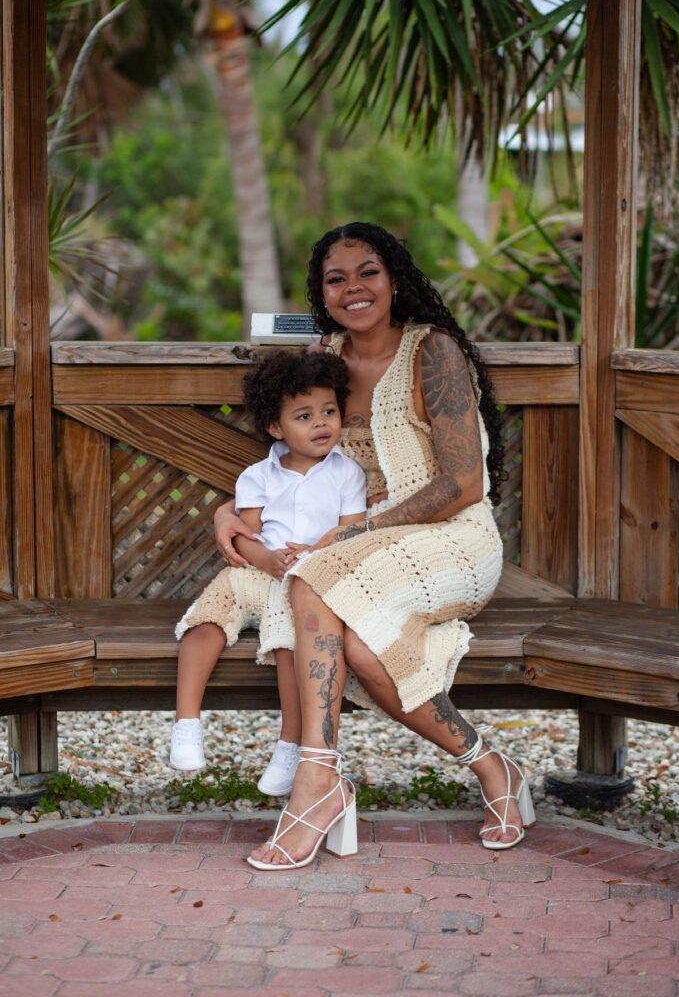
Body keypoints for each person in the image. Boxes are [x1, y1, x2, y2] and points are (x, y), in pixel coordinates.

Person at [215, 223, 535, 870]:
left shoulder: (430, 352)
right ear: (321, 292)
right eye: (336, 278)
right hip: (360, 551)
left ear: (393, 278)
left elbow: (464, 482)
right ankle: (489, 766)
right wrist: (229, 510)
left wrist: (360, 528)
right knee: (358, 642)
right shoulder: (322, 356)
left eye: (367, 272)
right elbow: (286, 462)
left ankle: (316, 783)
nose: (353, 288)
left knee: (309, 580)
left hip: (452, 539)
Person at [171, 349, 367, 797]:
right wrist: (268, 561)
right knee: (207, 616)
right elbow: (244, 534)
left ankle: (290, 746)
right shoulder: (258, 476)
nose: (321, 423)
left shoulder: (347, 474)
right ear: (276, 428)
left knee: (288, 641)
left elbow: (353, 528)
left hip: (308, 583)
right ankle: (186, 724)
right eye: (304, 416)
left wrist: (314, 551)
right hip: (260, 572)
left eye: (329, 411)